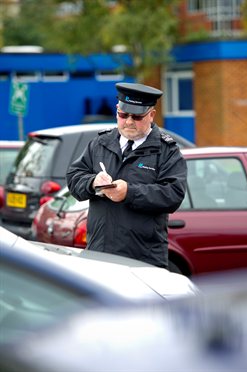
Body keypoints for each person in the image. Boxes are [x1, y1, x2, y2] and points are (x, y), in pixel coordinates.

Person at [66, 82, 187, 268]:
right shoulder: (100, 143)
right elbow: (74, 177)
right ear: (117, 111)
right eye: (123, 115)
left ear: (151, 115)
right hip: (100, 254)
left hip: (143, 259)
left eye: (137, 116)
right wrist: (92, 183)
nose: (129, 121)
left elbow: (173, 194)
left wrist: (129, 192)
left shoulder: (167, 151)